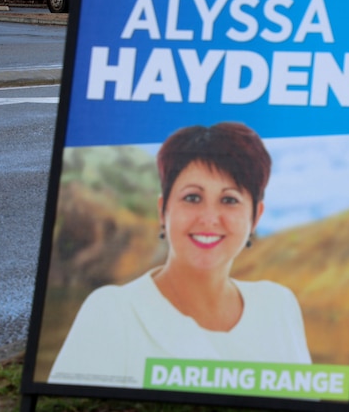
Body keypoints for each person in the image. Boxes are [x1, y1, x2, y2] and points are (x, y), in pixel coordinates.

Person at [48, 122, 311, 388]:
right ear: (163, 210)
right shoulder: (112, 312)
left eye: (230, 199)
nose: (209, 219)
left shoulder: (278, 305)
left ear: (256, 217)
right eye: (193, 197)